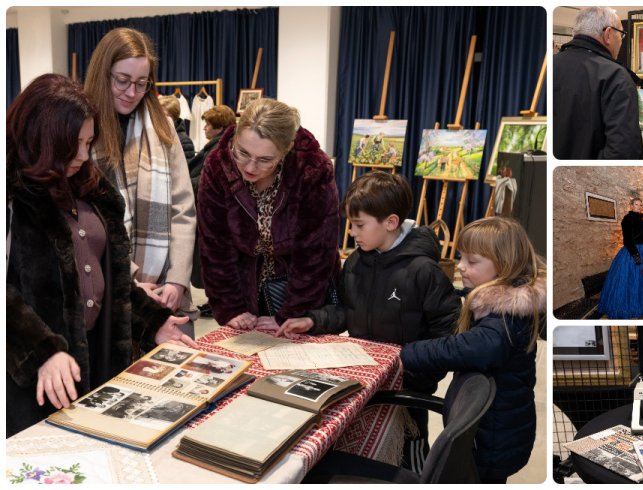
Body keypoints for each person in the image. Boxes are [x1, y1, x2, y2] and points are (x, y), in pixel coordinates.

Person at [6, 74, 197, 437]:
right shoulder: (12, 191)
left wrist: (152, 320)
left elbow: (112, 276)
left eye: (88, 142)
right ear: (40, 138)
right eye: (72, 144)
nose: (82, 155)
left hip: (97, 360)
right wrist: (41, 350)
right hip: (30, 378)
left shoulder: (90, 185)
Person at [276, 171, 461, 473]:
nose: (351, 233)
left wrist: (416, 372)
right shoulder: (357, 262)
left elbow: (449, 333)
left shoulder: (423, 271)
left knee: (408, 460)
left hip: (408, 390)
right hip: (364, 381)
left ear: (390, 222)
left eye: (359, 225)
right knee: (359, 454)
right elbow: (347, 311)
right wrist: (312, 321)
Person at [398, 217, 546, 483]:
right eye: (460, 258)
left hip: (493, 439)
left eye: (472, 261)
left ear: (504, 264)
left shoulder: (506, 317)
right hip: (495, 432)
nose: (461, 267)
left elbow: (472, 347)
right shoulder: (499, 303)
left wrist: (406, 354)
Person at [84, 27, 197, 337]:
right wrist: (131, 280)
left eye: (141, 83)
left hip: (166, 294)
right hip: (110, 293)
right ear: (102, 73)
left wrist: (177, 279)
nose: (132, 93)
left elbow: (183, 209)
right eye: (122, 80)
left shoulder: (163, 126)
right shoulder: (81, 131)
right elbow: (87, 225)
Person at [197, 98, 340, 330]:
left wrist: (292, 312)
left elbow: (316, 251)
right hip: (244, 289)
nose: (250, 167)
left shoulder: (312, 168)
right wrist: (230, 307)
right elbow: (215, 246)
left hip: (302, 291)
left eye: (265, 160)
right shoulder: (217, 165)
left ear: (287, 149)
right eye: (242, 152)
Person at [553, 6, 643, 159]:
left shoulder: (551, 65)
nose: (621, 42)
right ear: (608, 34)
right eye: (621, 35)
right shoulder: (616, 77)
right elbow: (623, 152)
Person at [186, 104, 236, 318]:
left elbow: (210, 180)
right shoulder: (216, 147)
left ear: (219, 127)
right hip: (210, 212)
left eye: (209, 124)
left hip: (215, 215)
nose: (204, 128)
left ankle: (219, 302)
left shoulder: (220, 149)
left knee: (215, 263)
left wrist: (183, 184)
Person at [598, 198, 643, 319]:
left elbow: (642, 236)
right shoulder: (627, 219)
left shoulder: (642, 220)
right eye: (636, 204)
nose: (639, 207)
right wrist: (635, 255)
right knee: (632, 280)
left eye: (641, 205)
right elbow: (628, 240)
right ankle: (631, 306)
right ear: (631, 206)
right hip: (632, 252)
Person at [158, 95, 195, 162]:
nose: (160, 119)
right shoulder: (156, 135)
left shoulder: (184, 141)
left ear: (174, 117)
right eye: (158, 115)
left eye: (164, 115)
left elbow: (188, 169)